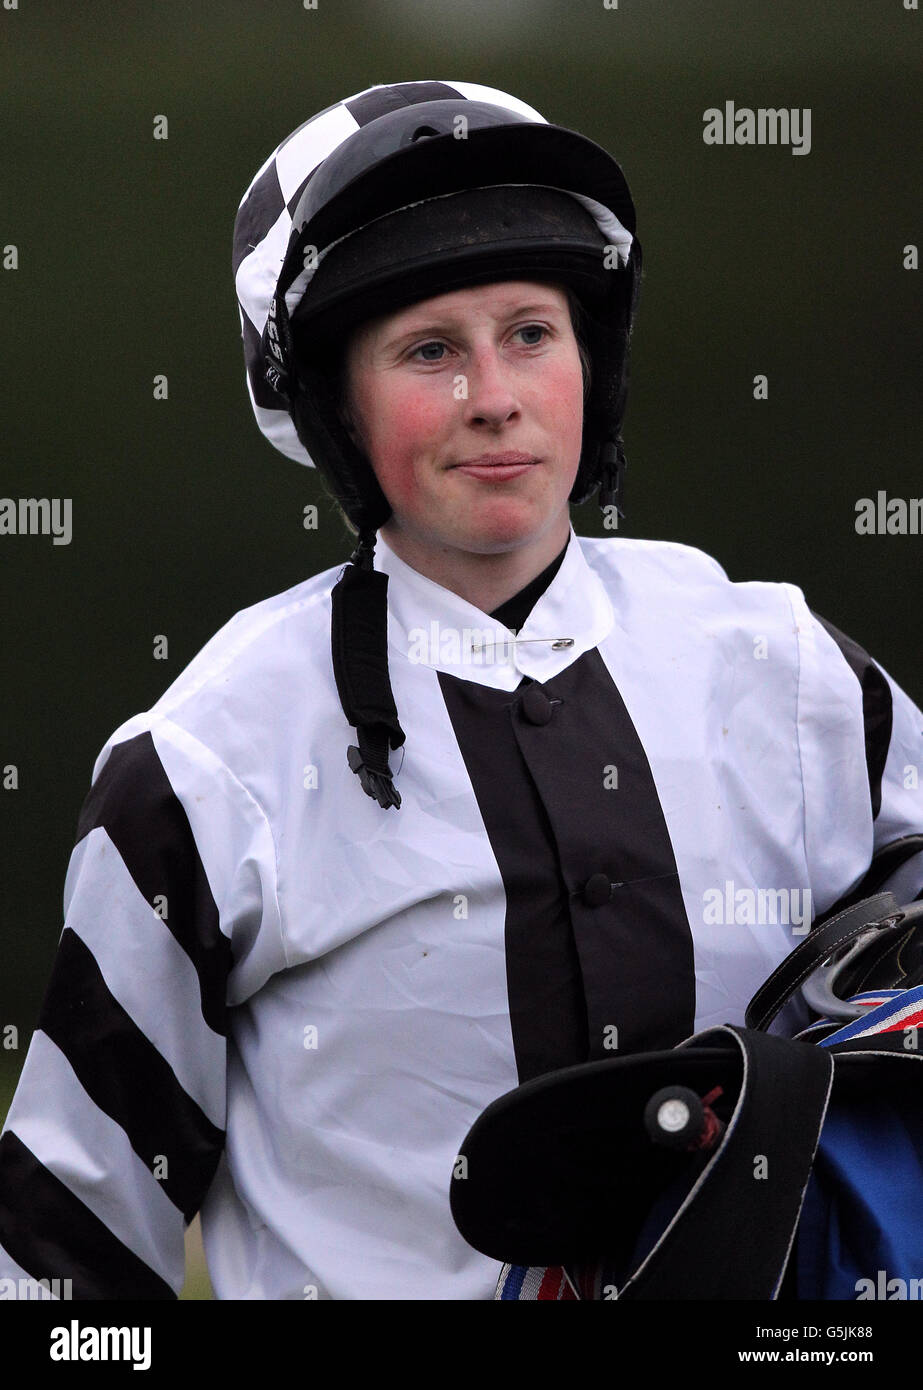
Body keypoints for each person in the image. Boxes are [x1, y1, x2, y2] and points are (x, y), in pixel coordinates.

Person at [0, 79, 921, 1302]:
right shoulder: (205, 761)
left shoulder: (787, 666)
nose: (493, 395)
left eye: (530, 333)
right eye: (429, 350)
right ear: (332, 408)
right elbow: (67, 1257)